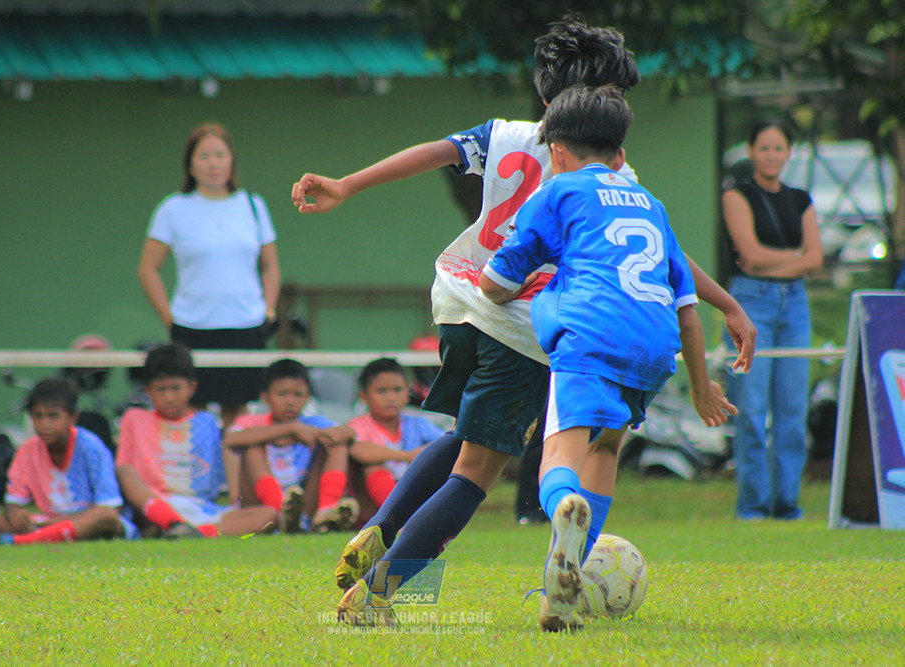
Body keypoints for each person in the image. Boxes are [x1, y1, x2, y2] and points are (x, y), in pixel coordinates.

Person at [290, 13, 755, 626]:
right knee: (477, 473)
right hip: (520, 328)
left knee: (468, 435)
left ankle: (379, 529)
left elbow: (436, 153)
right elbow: (658, 246)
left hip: (458, 307)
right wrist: (724, 301)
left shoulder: (505, 132)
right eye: (616, 95)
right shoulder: (608, 169)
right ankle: (378, 594)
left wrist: (348, 184)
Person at [480, 84, 736, 630]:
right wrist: (700, 388)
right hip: (654, 348)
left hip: (589, 339)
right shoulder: (653, 205)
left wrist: (504, 282)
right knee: (608, 446)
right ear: (620, 156)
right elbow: (688, 312)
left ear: (556, 154)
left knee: (560, 458)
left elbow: (495, 283)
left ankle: (564, 505)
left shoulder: (558, 192)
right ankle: (561, 597)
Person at [137, 122, 281, 503]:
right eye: (204, 155)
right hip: (193, 326)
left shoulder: (253, 204)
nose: (213, 163)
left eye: (220, 154)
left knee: (239, 415)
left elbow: (270, 265)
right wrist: (171, 319)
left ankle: (236, 497)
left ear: (232, 160)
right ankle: (195, 495)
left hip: (246, 326)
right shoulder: (173, 209)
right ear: (190, 164)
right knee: (194, 415)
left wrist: (267, 308)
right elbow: (147, 268)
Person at [721, 120, 822, 521]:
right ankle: (752, 505)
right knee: (751, 408)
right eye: (764, 148)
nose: (771, 156)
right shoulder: (737, 195)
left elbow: (815, 259)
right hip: (751, 304)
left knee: (793, 412)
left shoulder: (800, 198)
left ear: (789, 153)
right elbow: (750, 253)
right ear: (750, 151)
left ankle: (787, 503)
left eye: (779, 148)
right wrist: (794, 259)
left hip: (795, 305)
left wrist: (777, 263)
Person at [115, 342, 277, 539]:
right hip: (153, 507)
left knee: (267, 516)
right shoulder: (134, 418)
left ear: (192, 388)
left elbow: (218, 476)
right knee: (125, 472)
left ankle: (194, 534)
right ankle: (173, 524)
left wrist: (235, 497)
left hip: (201, 510)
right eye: (161, 389)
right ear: (148, 391)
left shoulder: (206, 421)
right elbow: (124, 472)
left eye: (176, 388)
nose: (169, 397)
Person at [0, 377, 138, 545]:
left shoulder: (91, 447)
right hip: (46, 522)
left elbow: (112, 507)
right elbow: (13, 502)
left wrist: (54, 524)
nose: (45, 424)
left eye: (54, 416)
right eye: (38, 416)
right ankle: (39, 536)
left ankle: (25, 541)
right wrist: (15, 514)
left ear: (73, 418)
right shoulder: (27, 450)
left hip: (91, 522)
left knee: (105, 517)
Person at [224, 359, 358, 534]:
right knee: (250, 445)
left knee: (337, 446)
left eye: (298, 394)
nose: (290, 401)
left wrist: (318, 436)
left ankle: (325, 512)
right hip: (261, 507)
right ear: (265, 397)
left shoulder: (312, 423)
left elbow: (349, 432)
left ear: (308, 398)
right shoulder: (253, 421)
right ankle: (280, 512)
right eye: (282, 394)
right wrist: (292, 429)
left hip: (302, 504)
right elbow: (231, 439)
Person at [345, 358, 443, 541]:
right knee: (372, 465)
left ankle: (418, 520)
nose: (391, 397)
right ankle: (398, 520)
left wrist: (421, 453)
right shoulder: (360, 424)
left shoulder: (417, 423)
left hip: (412, 492)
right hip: (372, 503)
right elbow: (357, 450)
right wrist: (406, 456)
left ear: (408, 393)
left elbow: (447, 441)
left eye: (397, 390)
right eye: (381, 391)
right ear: (364, 397)